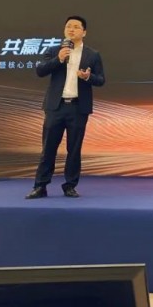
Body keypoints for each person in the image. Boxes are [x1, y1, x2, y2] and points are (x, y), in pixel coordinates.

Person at [26, 16, 105, 199]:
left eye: (76, 27)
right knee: (48, 148)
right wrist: (59, 59)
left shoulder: (92, 55)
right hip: (56, 106)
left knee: (74, 150)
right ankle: (40, 186)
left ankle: (70, 186)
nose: (71, 30)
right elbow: (40, 70)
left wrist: (87, 77)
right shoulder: (55, 50)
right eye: (68, 26)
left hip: (78, 108)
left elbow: (101, 80)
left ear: (84, 32)